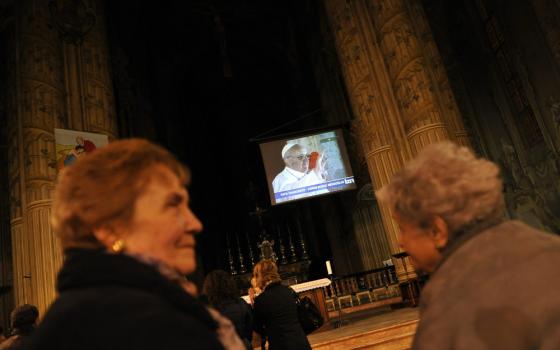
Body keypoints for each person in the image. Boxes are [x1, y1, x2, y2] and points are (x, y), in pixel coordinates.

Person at [24, 138, 243, 350]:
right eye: (173, 205)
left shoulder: (65, 321)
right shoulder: (161, 330)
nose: (195, 224)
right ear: (109, 228)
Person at [376, 141, 560, 349]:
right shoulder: (550, 246)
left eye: (402, 229)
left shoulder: (449, 305)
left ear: (437, 231)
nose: (400, 242)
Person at [250, 260, 311, 350]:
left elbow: (257, 327)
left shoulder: (261, 299)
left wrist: (253, 304)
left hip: (280, 344)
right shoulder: (289, 291)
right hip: (300, 342)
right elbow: (300, 315)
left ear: (260, 276)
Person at [203, 270, 253, 349]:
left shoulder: (209, 311)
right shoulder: (241, 303)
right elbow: (249, 331)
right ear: (230, 284)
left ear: (209, 288)